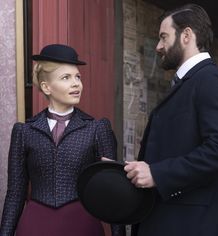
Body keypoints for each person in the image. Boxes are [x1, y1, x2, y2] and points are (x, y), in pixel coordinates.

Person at [124, 4, 218, 236]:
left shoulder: (211, 81)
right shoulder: (189, 82)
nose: (158, 46)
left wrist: (157, 174)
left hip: (193, 225)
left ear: (186, 35)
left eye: (164, 37)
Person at [0, 44, 125, 236]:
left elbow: (113, 192)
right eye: (66, 78)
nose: (76, 83)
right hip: (34, 226)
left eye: (77, 77)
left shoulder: (98, 128)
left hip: (82, 225)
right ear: (46, 87)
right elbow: (16, 193)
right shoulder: (24, 131)